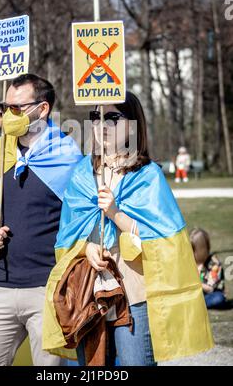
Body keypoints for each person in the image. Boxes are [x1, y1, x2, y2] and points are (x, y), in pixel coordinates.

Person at [43, 91, 214, 366]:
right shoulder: (81, 174)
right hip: (89, 292)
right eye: (96, 117)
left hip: (135, 294)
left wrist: (115, 213)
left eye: (112, 117)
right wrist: (87, 248)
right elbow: (68, 236)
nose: (102, 125)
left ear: (132, 125)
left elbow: (160, 240)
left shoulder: (147, 176)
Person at [0, 74, 82, 366]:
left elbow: (82, 221)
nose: (6, 115)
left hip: (48, 290)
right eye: (5, 107)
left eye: (16, 108)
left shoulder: (68, 156)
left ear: (43, 109)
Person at [190, 228, 227, 309]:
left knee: (219, 299)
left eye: (193, 250)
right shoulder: (190, 262)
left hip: (211, 294)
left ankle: (198, 305)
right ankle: (196, 304)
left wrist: (195, 281)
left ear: (201, 250)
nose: (190, 253)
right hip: (195, 294)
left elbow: (210, 288)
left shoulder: (214, 264)